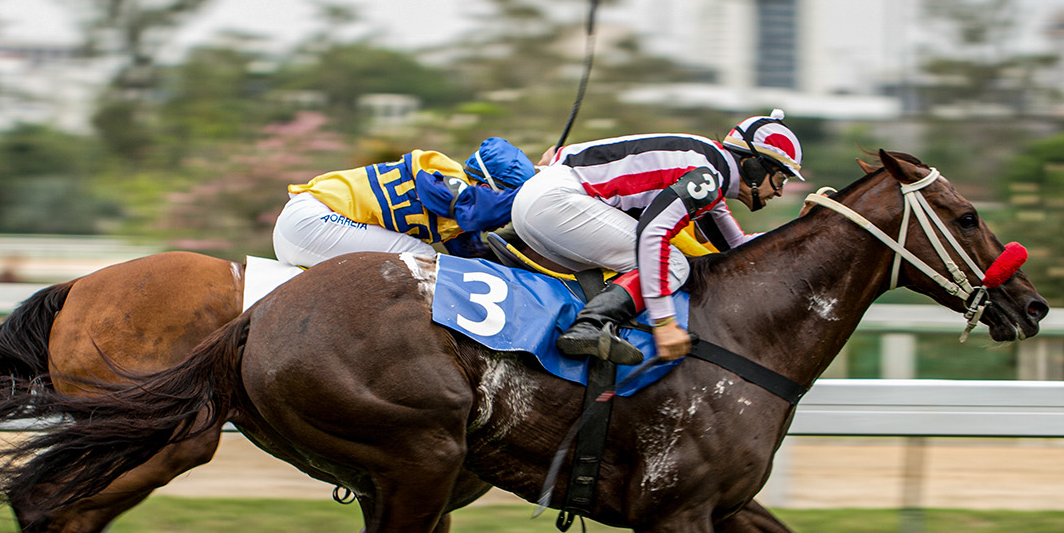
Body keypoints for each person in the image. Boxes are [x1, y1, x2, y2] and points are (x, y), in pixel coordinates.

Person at [511, 111, 805, 366]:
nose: (779, 192)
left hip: (539, 201)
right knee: (673, 264)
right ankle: (591, 325)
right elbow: (653, 232)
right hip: (556, 203)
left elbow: (738, 247)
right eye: (780, 179)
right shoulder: (707, 178)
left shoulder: (709, 170)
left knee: (658, 260)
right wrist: (665, 322)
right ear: (753, 165)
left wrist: (803, 229)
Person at [273, 136, 537, 267]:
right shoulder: (451, 183)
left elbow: (475, 259)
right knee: (423, 259)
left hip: (306, 226)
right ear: (485, 186)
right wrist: (539, 189)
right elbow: (479, 211)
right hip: (313, 221)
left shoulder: (456, 215)